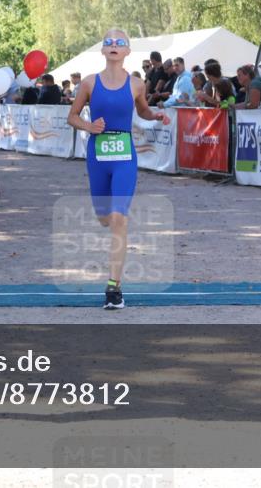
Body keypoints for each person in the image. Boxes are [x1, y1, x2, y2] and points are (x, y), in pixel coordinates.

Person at [67, 28, 170, 310]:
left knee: (119, 218)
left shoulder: (137, 84)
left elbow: (144, 111)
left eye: (119, 42)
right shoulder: (88, 83)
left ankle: (114, 287)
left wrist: (157, 115)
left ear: (127, 52)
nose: (113, 46)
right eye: (108, 42)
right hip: (98, 157)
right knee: (104, 219)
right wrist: (89, 126)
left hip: (125, 157)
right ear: (102, 51)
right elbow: (72, 116)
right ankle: (109, 222)